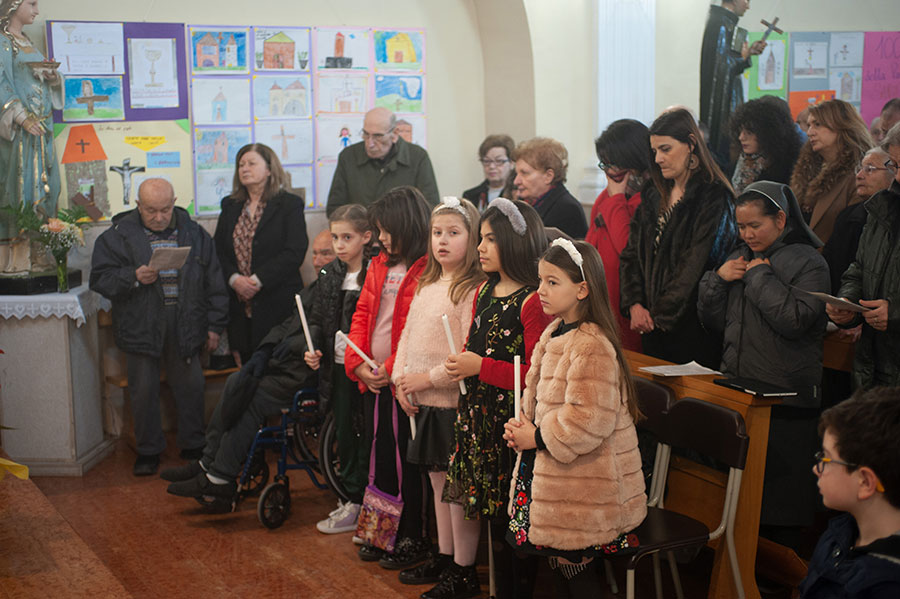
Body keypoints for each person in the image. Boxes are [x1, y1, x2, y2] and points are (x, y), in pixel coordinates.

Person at [503, 240, 646, 597]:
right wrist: (523, 423)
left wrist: (536, 438)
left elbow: (587, 421)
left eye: (553, 282)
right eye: (540, 281)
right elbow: (540, 397)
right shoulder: (556, 331)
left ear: (582, 289)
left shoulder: (591, 344)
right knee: (562, 563)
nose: (541, 291)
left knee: (574, 565)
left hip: (586, 485)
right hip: (559, 475)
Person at [697, 181, 830, 547]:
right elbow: (714, 322)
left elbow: (794, 319)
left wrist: (758, 275)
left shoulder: (809, 261)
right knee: (744, 500)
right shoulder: (739, 257)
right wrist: (716, 281)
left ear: (781, 218)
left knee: (780, 504)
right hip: (742, 388)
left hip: (785, 398)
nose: (747, 234)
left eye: (755, 225)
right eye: (741, 226)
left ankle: (779, 576)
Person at [442, 198, 552, 599]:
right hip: (478, 419)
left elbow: (536, 375)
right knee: (487, 512)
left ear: (513, 241)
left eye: (490, 239)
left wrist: (480, 367)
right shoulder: (484, 291)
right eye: (481, 239)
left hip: (511, 425)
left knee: (512, 518)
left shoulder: (532, 300)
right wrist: (463, 366)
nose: (481, 247)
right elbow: (477, 348)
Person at [90, 178, 228, 476]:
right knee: (143, 390)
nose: (159, 217)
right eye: (151, 210)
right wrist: (133, 276)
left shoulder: (194, 232)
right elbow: (100, 279)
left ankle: (193, 443)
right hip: (140, 322)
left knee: (191, 385)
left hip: (187, 320)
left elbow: (214, 283)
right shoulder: (117, 235)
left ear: (174, 201)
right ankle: (148, 451)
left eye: (165, 209)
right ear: (138, 205)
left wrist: (214, 327)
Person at [390, 197, 485, 595]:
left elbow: (463, 353)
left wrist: (423, 380)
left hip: (451, 404)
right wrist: (399, 381)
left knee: (457, 491)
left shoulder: (471, 288)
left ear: (473, 237)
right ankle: (445, 557)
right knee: (435, 484)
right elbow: (408, 337)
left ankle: (464, 569)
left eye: (453, 233)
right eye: (437, 233)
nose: (442, 241)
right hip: (421, 402)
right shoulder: (427, 283)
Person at [344, 186, 432, 569]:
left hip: (402, 380)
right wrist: (358, 364)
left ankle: (410, 536)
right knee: (379, 460)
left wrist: (392, 367)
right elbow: (363, 314)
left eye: (385, 230)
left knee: (405, 465)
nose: (380, 238)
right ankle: (382, 535)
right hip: (375, 378)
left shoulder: (426, 267)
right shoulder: (378, 263)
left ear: (406, 226)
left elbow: (415, 327)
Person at [162, 289, 319, 500]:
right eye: (316, 254)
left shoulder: (340, 288)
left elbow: (326, 332)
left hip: (304, 375)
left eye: (325, 253)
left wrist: (295, 345)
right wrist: (265, 350)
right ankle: (207, 461)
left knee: (249, 395)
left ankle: (221, 477)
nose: (318, 261)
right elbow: (288, 324)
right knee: (236, 380)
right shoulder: (317, 286)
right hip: (286, 366)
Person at [619, 108, 736, 368]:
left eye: (666, 149)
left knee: (690, 406)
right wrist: (635, 304)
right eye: (655, 151)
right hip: (649, 324)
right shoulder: (653, 191)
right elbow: (631, 254)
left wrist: (660, 316)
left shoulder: (714, 196)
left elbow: (696, 263)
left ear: (691, 144)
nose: (658, 158)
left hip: (692, 327)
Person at [304, 204, 375, 535]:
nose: (339, 245)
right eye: (335, 237)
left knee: (367, 435)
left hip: (366, 368)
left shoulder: (376, 271)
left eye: (347, 237)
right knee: (344, 432)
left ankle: (365, 499)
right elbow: (318, 318)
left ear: (366, 237)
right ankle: (350, 497)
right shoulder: (327, 273)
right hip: (336, 367)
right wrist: (314, 347)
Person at [799, 387, 900, 598]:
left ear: (865, 482)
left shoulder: (887, 585)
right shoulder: (840, 533)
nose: (817, 468)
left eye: (825, 459)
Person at [214, 143, 308, 365]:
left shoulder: (289, 204)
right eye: (241, 165)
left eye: (252, 163)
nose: (245, 169)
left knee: (275, 371)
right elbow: (218, 250)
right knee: (247, 373)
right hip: (239, 306)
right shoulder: (230, 205)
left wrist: (257, 281)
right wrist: (235, 279)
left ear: (269, 169)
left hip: (276, 302)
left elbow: (294, 251)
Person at [828, 124, 900, 390]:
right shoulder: (883, 209)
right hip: (874, 364)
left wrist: (894, 312)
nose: (898, 178)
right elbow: (859, 268)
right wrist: (847, 302)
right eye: (895, 166)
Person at [0, 0, 61, 273]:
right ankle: (19, 257)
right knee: (21, 190)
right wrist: (22, 118)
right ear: (13, 5)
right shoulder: (3, 43)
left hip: (42, 131)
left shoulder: (28, 42)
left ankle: (40, 252)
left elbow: (37, 79)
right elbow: (1, 82)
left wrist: (51, 76)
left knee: (48, 187)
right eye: (32, 3)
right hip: (21, 135)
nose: (36, 10)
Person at [587, 119, 651, 351]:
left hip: (626, 308)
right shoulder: (607, 196)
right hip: (599, 303)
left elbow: (627, 247)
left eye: (613, 164)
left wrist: (616, 200)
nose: (609, 172)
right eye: (604, 164)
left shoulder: (647, 201)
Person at [326, 107, 439, 216]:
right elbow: (334, 209)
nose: (370, 143)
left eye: (378, 136)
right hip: (361, 232)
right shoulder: (348, 157)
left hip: (402, 233)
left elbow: (430, 208)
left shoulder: (417, 157)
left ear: (395, 134)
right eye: (366, 134)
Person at [789, 99, 873, 245]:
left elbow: (853, 233)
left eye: (817, 124)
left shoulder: (860, 175)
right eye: (808, 125)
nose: (809, 132)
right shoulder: (806, 169)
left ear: (840, 125)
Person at [699, 0, 766, 162]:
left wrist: (748, 53)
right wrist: (742, 58)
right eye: (746, 1)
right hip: (721, 106)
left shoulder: (723, 22)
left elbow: (724, 61)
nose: (748, 6)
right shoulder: (720, 24)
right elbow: (722, 68)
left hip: (727, 93)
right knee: (724, 152)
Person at [822, 147, 895, 294]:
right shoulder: (846, 216)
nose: (859, 175)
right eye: (859, 169)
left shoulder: (894, 218)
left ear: (894, 173)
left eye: (870, 169)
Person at [512, 137, 588, 239]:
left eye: (524, 173)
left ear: (548, 176)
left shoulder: (567, 209)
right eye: (516, 173)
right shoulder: (525, 203)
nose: (516, 181)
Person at [729, 96, 803, 194]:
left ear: (768, 133)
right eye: (740, 130)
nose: (741, 137)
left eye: (749, 132)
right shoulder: (739, 161)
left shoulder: (788, 169)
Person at [462, 134, 517, 211]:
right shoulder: (470, 196)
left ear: (511, 163)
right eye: (487, 161)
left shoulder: (518, 193)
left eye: (499, 161)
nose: (492, 166)